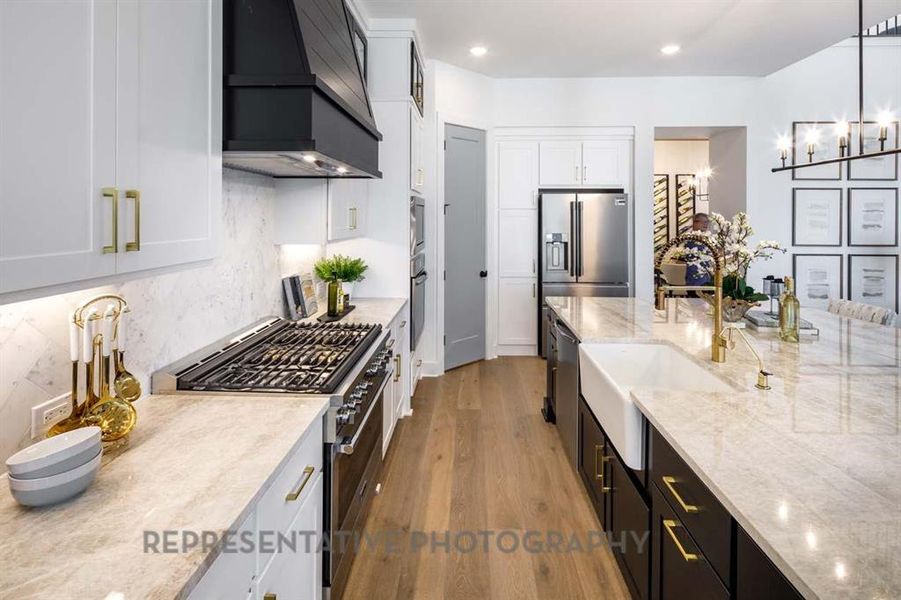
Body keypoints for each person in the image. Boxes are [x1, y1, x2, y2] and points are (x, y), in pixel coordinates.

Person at [684, 213, 712, 287]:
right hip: (696, 279)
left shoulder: (707, 238)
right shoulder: (691, 238)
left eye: (707, 222)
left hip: (706, 277)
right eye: (703, 222)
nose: (706, 224)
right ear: (695, 223)